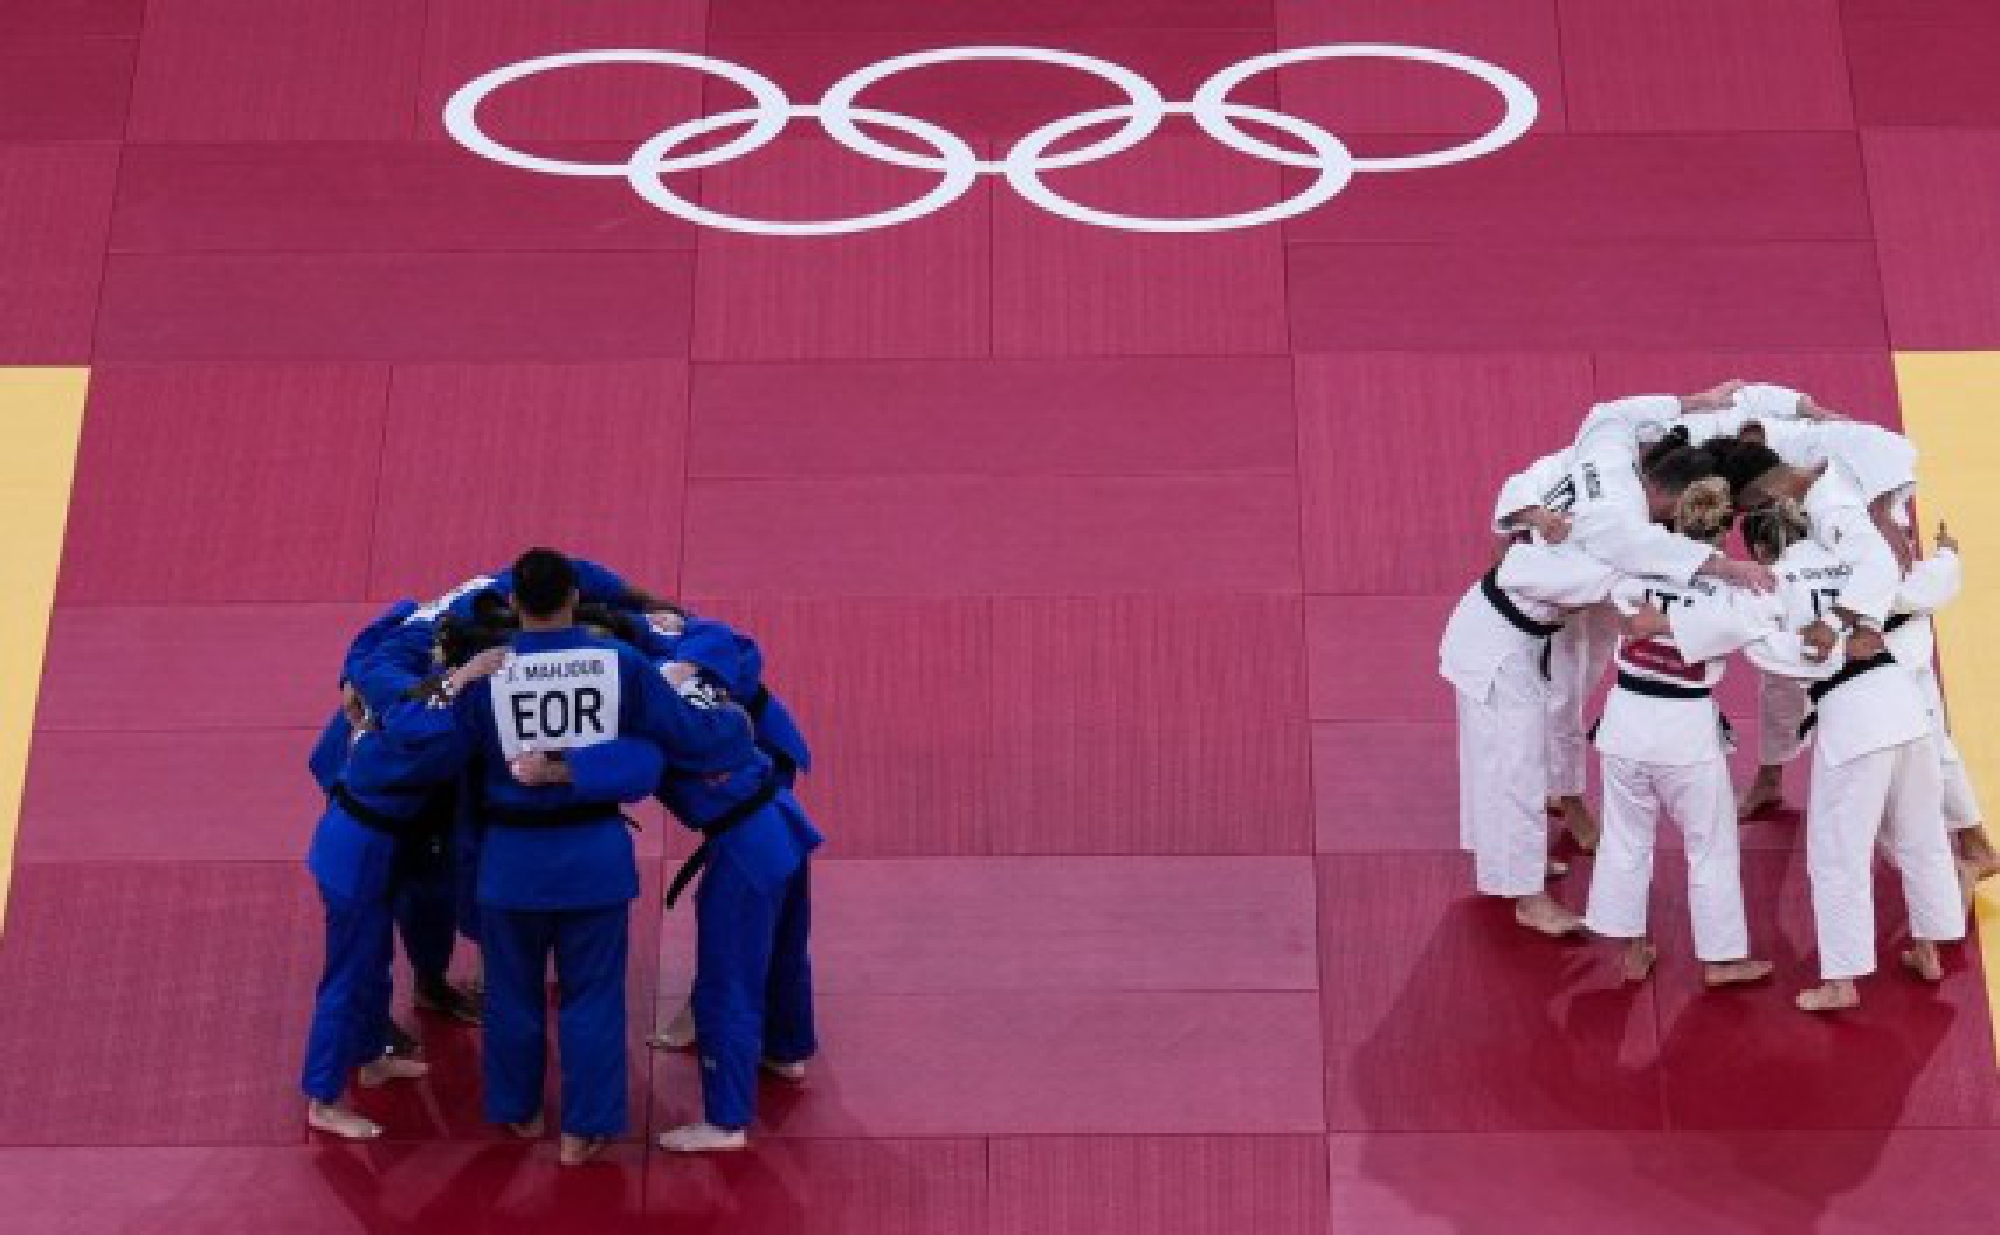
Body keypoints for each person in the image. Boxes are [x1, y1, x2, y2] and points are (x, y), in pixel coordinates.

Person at [447, 548, 752, 1166]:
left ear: (512, 604)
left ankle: (520, 1111)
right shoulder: (619, 662)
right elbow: (684, 733)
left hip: (509, 864)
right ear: (574, 598)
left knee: (511, 992)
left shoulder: (488, 676)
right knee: (592, 995)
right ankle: (583, 1130)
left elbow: (446, 757)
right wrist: (736, 727)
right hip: (594, 859)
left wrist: (453, 681)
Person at [1730, 502, 1966, 1011]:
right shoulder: (1858, 564)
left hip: (1854, 721)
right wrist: (1947, 556)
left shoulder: (1775, 580)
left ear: (1763, 548)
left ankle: (1841, 981)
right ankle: (1930, 947)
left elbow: (1762, 648)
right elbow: (1923, 587)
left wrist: (1823, 651)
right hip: (1907, 707)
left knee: (1839, 851)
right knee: (1922, 833)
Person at [300, 609, 504, 1139]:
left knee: (375, 959)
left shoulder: (396, 680)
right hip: (357, 848)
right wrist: (466, 679)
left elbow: (381, 638)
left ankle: (369, 1054)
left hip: (372, 839)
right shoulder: (436, 727)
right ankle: (323, 1098)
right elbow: (433, 723)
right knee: (347, 973)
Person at [638, 616, 823, 1153]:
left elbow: (625, 773)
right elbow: (735, 643)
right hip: (782, 816)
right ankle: (786, 1049)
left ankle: (725, 1120)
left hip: (741, 844)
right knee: (786, 951)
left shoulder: (636, 703)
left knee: (729, 978)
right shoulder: (692, 663)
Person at [1582, 478, 1772, 987]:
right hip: (1684, 733)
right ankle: (1722, 959)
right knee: (1709, 844)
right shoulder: (1732, 594)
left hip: (1623, 721)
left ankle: (1632, 949)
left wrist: (1653, 620)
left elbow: (1611, 601)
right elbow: (1760, 623)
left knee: (1624, 838)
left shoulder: (1632, 571)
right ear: (1724, 534)